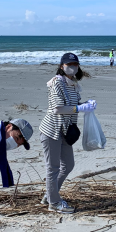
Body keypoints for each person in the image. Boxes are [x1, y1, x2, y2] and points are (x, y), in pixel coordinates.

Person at [39, 53, 96, 213]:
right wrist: (79, 108)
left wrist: (86, 104)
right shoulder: (57, 82)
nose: (73, 67)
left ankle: (50, 195)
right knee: (53, 167)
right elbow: (58, 109)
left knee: (68, 164)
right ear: (61, 66)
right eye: (69, 64)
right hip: (52, 130)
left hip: (65, 131)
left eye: (75, 64)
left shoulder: (73, 84)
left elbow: (73, 105)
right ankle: (54, 203)